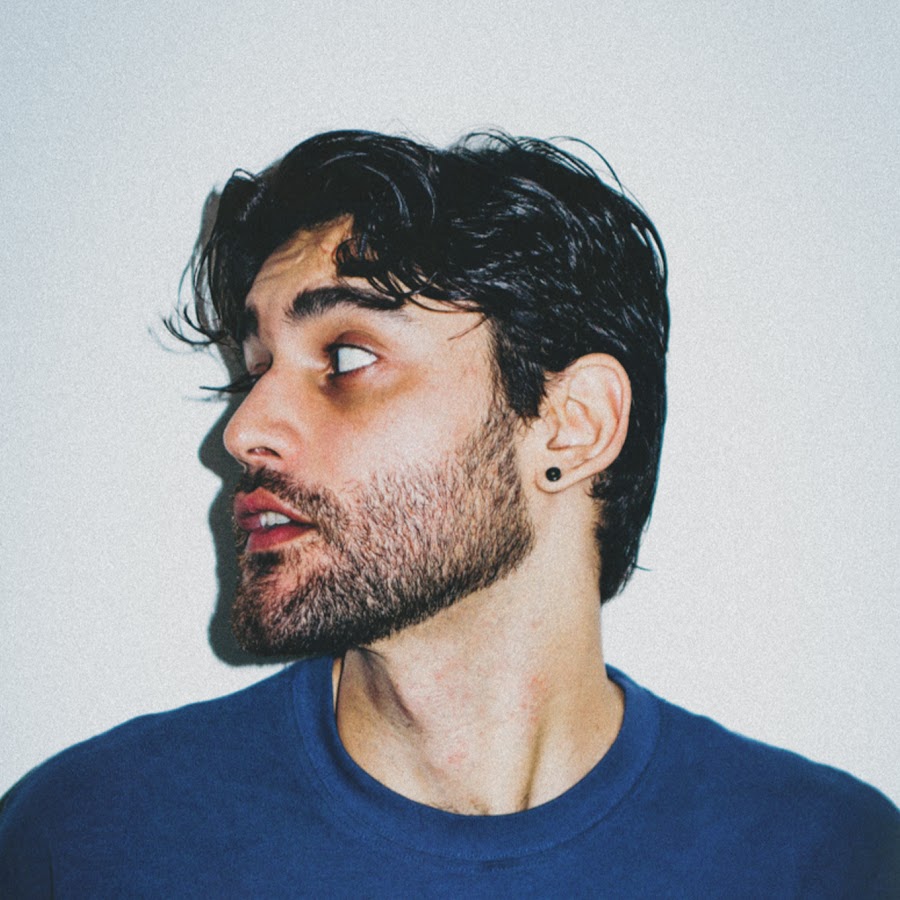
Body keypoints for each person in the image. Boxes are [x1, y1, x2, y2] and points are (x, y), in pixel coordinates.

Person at [1, 130, 897, 897]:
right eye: (254, 369)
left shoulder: (827, 863)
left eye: (345, 358)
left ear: (573, 425)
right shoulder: (91, 844)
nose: (243, 431)